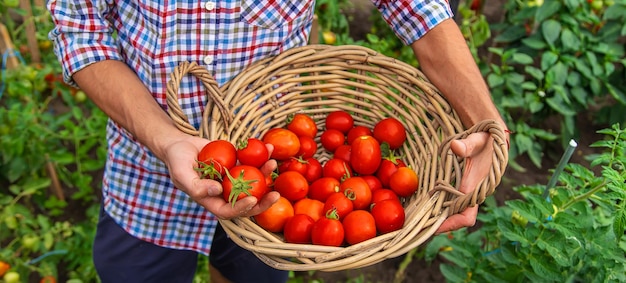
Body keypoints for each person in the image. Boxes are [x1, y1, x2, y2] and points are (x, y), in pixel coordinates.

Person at [47, 0, 508, 282]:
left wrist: (484, 120)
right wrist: (166, 140)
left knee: (251, 276)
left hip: (273, 177)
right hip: (146, 174)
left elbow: (416, 4)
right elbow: (80, 30)